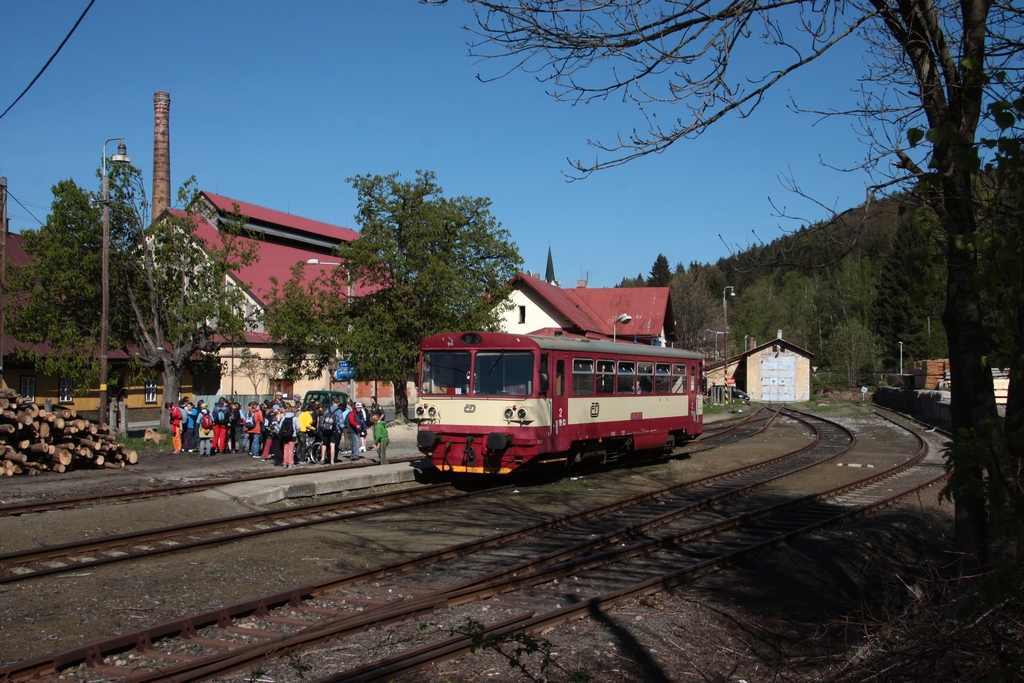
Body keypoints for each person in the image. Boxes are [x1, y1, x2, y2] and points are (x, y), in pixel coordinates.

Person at [320, 396, 344, 465]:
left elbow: (323, 418)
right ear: (338, 403)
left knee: (324, 444)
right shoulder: (339, 411)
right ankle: (332, 461)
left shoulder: (328, 409)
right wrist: (340, 430)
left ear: (333, 402)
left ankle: (322, 458)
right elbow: (341, 422)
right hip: (333, 430)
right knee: (332, 445)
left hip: (326, 429)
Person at [277, 402, 300, 468]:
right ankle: (290, 462)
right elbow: (298, 427)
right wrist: (296, 432)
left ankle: (285, 462)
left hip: (284, 435)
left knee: (285, 448)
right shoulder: (295, 418)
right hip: (292, 435)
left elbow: (280, 426)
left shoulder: (284, 417)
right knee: (291, 449)